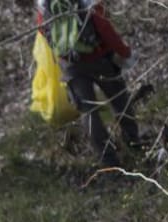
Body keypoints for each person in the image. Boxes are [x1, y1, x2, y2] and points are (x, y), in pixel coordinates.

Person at [37, 0, 140, 167]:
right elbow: (104, 28)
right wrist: (124, 53)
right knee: (119, 100)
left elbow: (44, 30)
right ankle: (134, 143)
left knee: (89, 113)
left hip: (70, 65)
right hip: (100, 58)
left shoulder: (44, 5)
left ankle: (109, 162)